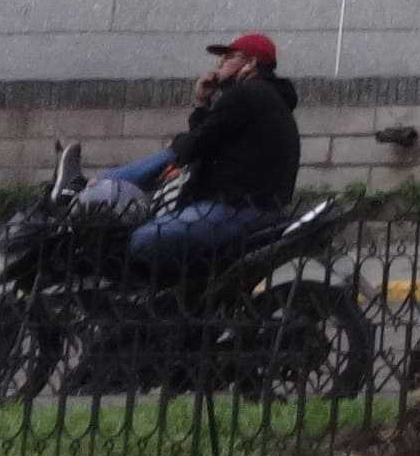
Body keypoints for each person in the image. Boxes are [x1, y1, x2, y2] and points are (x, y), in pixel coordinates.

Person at [123, 32, 302, 291]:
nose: (220, 65)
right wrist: (202, 103)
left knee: (143, 239)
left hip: (234, 209)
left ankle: (176, 305)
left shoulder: (246, 94)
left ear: (251, 63)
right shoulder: (267, 97)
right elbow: (210, 140)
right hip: (260, 209)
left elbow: (199, 142)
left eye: (229, 57)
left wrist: (175, 150)